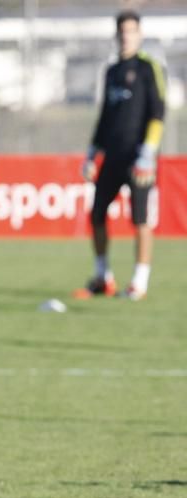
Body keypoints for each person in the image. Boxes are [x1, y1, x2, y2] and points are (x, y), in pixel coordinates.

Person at [75, 10, 165, 301]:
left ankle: (139, 282)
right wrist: (91, 154)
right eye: (123, 32)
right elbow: (105, 116)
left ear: (139, 35)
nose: (127, 36)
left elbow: (158, 112)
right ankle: (103, 277)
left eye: (132, 31)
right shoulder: (111, 71)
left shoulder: (149, 68)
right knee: (97, 214)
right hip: (112, 155)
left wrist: (148, 152)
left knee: (140, 219)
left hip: (139, 157)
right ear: (117, 36)